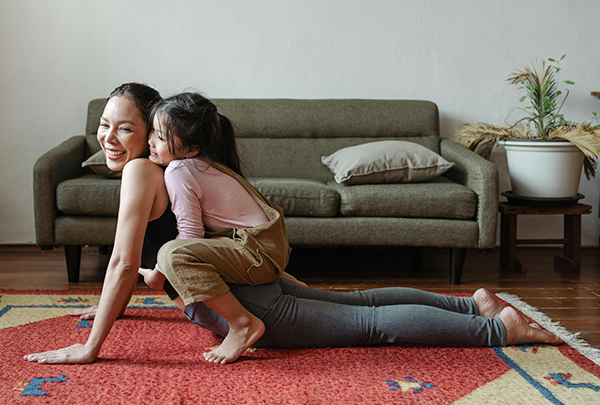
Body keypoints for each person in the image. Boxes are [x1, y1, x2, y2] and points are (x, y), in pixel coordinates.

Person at [23, 84, 562, 366]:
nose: (110, 139)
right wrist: (116, 301)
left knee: (369, 326)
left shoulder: (146, 170)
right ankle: (474, 304)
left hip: (247, 303)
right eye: (103, 127)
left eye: (126, 128)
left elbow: (125, 260)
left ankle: (497, 328)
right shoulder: (180, 167)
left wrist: (90, 346)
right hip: (248, 278)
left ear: (155, 134)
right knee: (364, 305)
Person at [138, 92, 296, 364]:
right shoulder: (201, 166)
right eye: (153, 131)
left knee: (172, 253)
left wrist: (158, 275)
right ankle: (287, 281)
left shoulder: (179, 170)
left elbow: (190, 235)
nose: (150, 141)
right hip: (266, 250)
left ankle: (242, 324)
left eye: (161, 137)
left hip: (258, 254)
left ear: (191, 149)